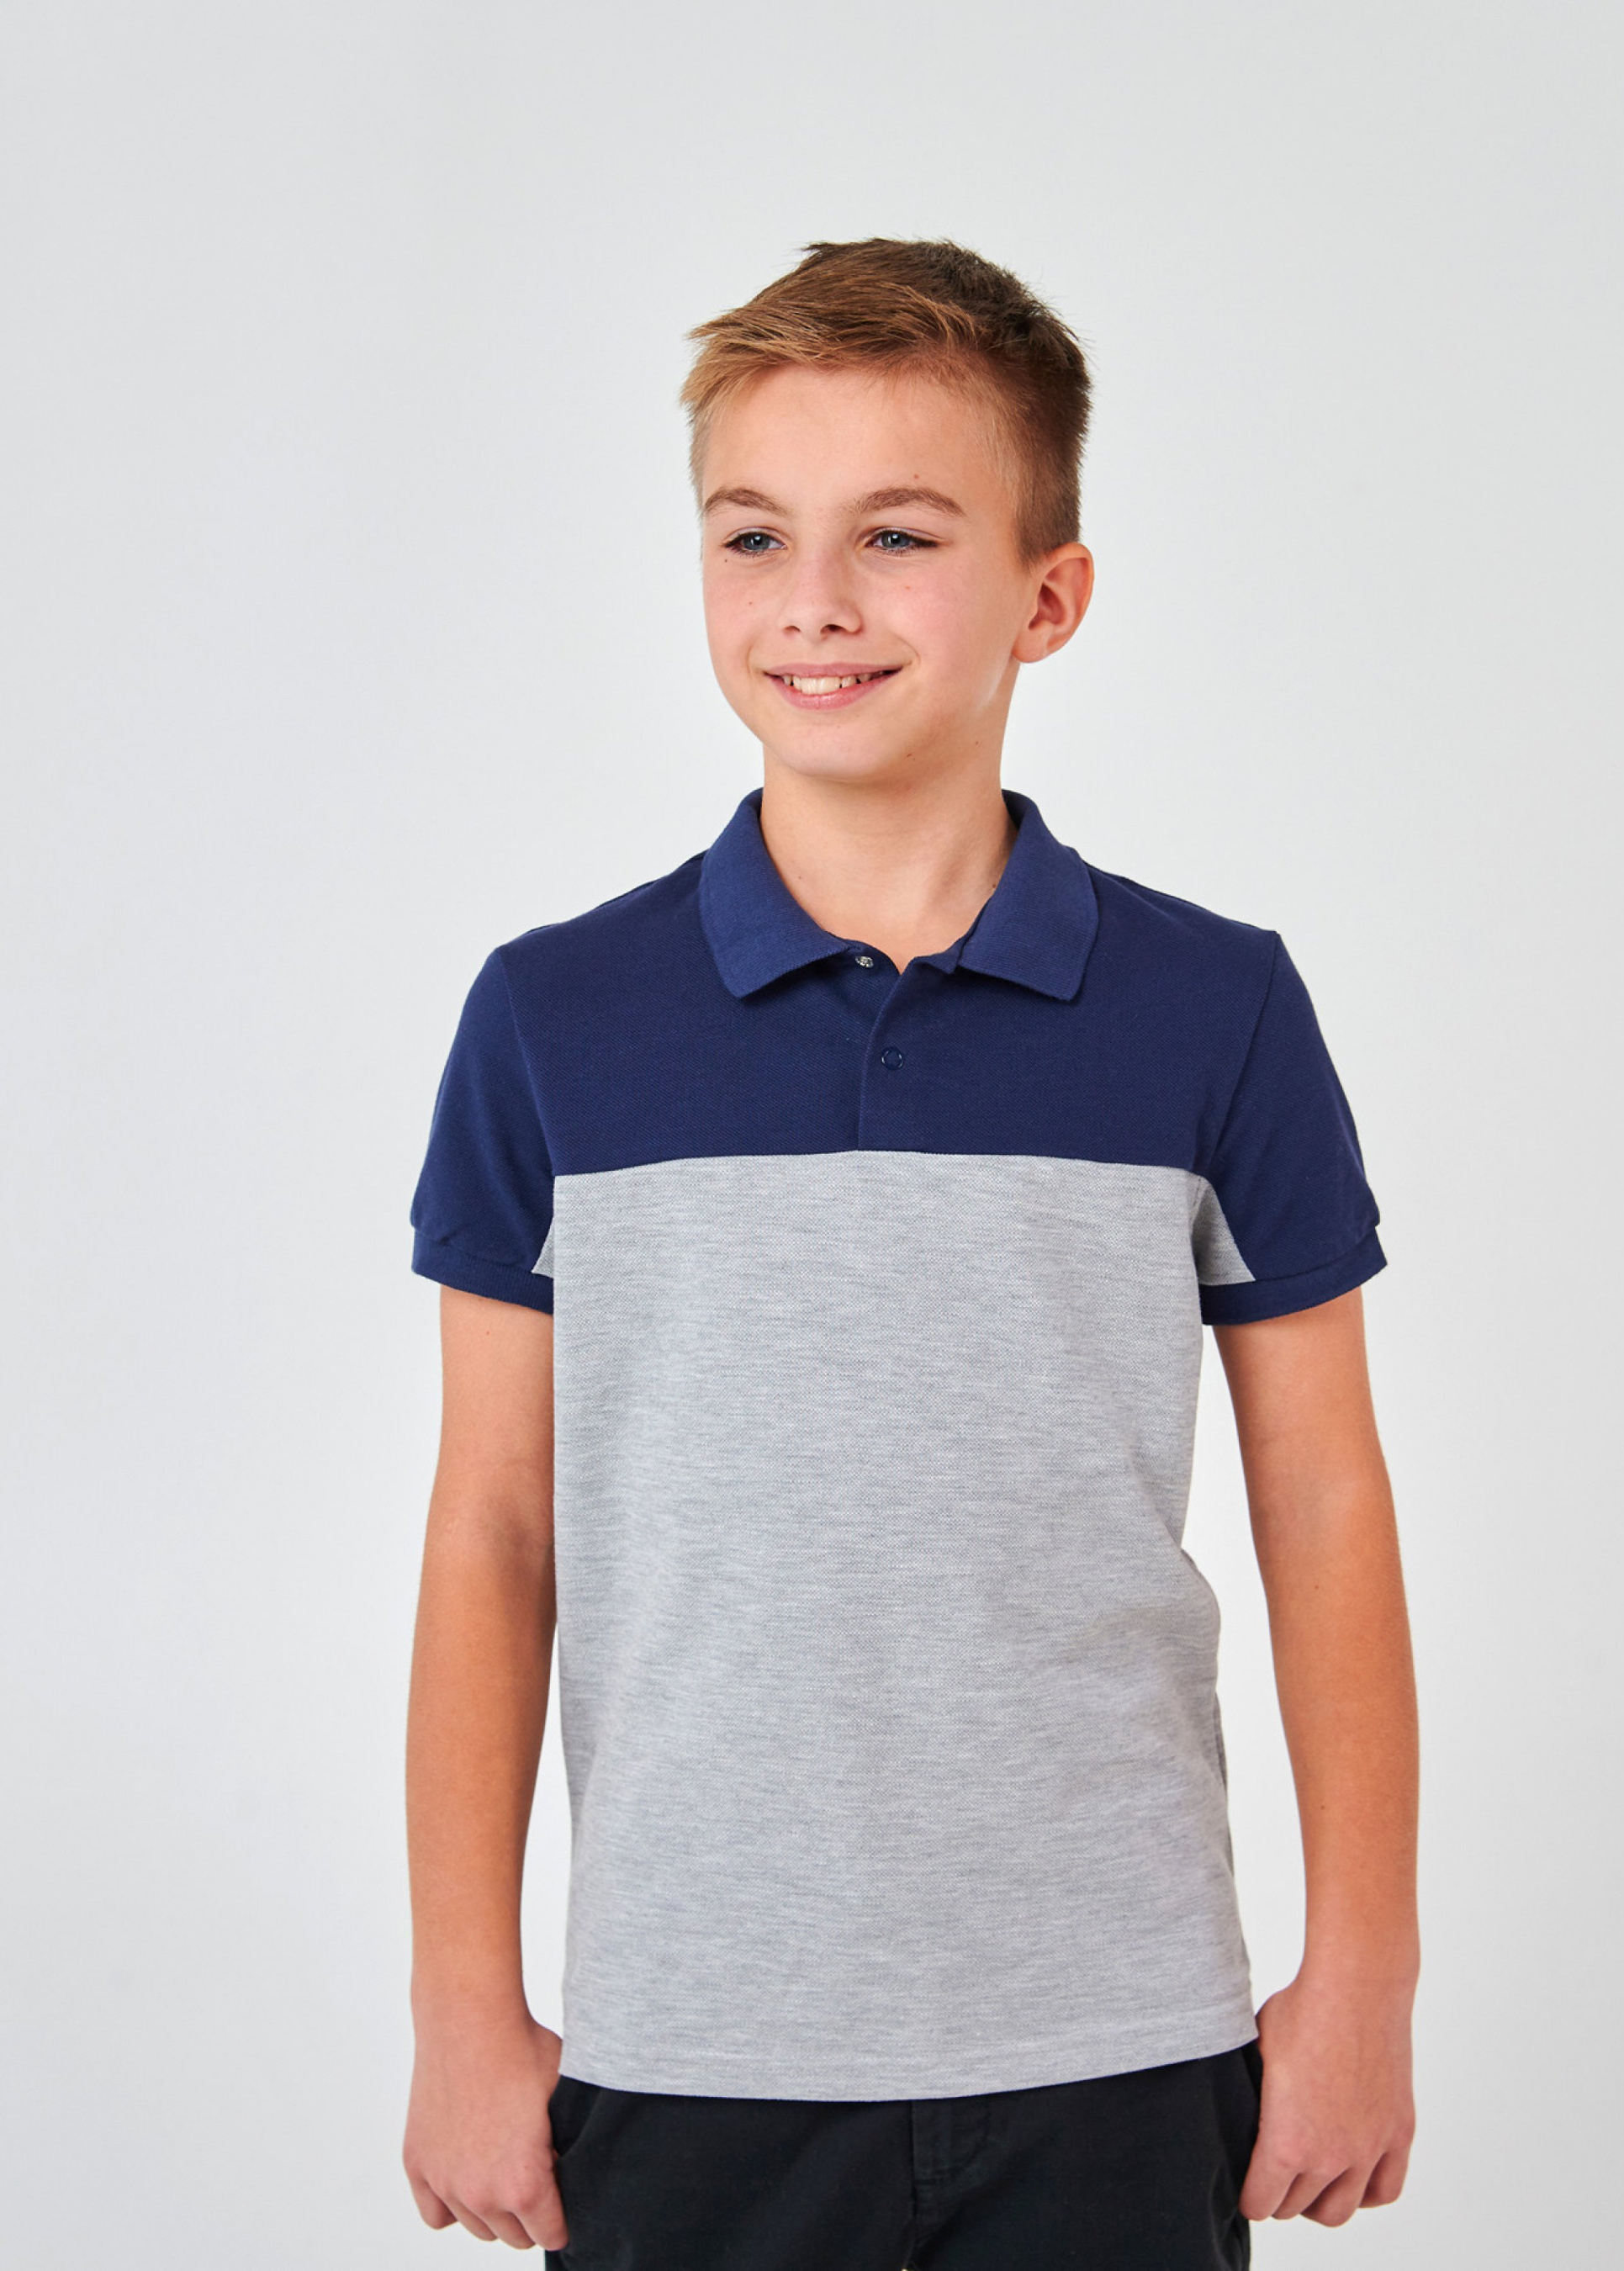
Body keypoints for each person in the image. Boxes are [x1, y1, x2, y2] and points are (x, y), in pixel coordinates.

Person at [402, 238, 1418, 2270]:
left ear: (1048, 596)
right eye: (751, 535)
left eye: (896, 534)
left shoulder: (1211, 1007)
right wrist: (459, 2011)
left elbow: (1320, 1496)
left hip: (1119, 2043)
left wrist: (1362, 1981)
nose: (813, 600)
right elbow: (494, 1525)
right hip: (690, 2048)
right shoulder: (553, 1018)